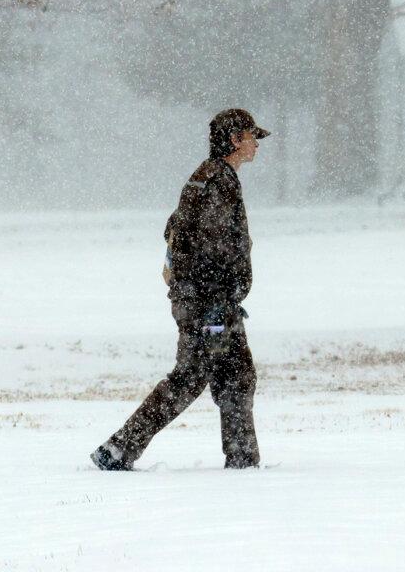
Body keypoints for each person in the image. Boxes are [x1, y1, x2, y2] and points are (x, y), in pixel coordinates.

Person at [90, 108, 270, 471]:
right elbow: (213, 247)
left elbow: (176, 233)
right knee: (205, 376)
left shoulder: (206, 179)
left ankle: (241, 459)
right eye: (251, 136)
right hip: (210, 303)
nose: (256, 144)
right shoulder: (217, 183)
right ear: (235, 140)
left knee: (226, 374)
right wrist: (217, 304)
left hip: (202, 300)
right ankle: (122, 449)